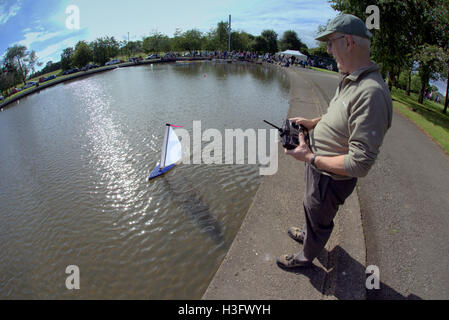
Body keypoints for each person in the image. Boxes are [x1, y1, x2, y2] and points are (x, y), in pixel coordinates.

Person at [277, 14, 393, 268]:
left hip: (331, 179)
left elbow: (360, 163)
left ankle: (306, 257)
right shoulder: (351, 78)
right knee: (311, 208)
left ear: (348, 42)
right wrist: (314, 122)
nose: (328, 50)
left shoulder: (371, 93)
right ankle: (310, 236)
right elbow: (337, 115)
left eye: (331, 43)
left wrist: (310, 158)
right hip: (320, 170)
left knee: (319, 216)